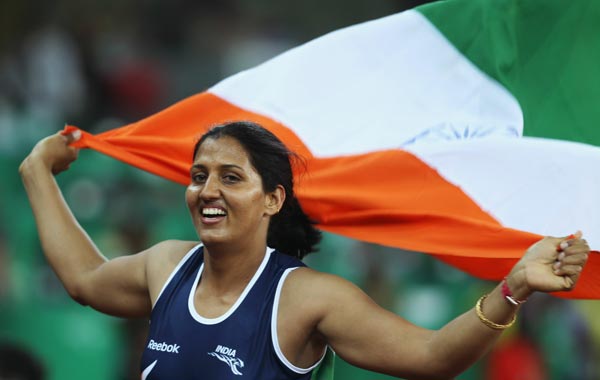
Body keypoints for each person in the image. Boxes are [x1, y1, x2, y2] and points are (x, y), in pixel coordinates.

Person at [19, 121, 590, 379]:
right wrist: (37, 170)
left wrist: (514, 288)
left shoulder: (304, 298)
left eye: (229, 177)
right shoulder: (165, 265)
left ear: (272, 200)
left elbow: (432, 357)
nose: (206, 190)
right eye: (198, 175)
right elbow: (84, 279)